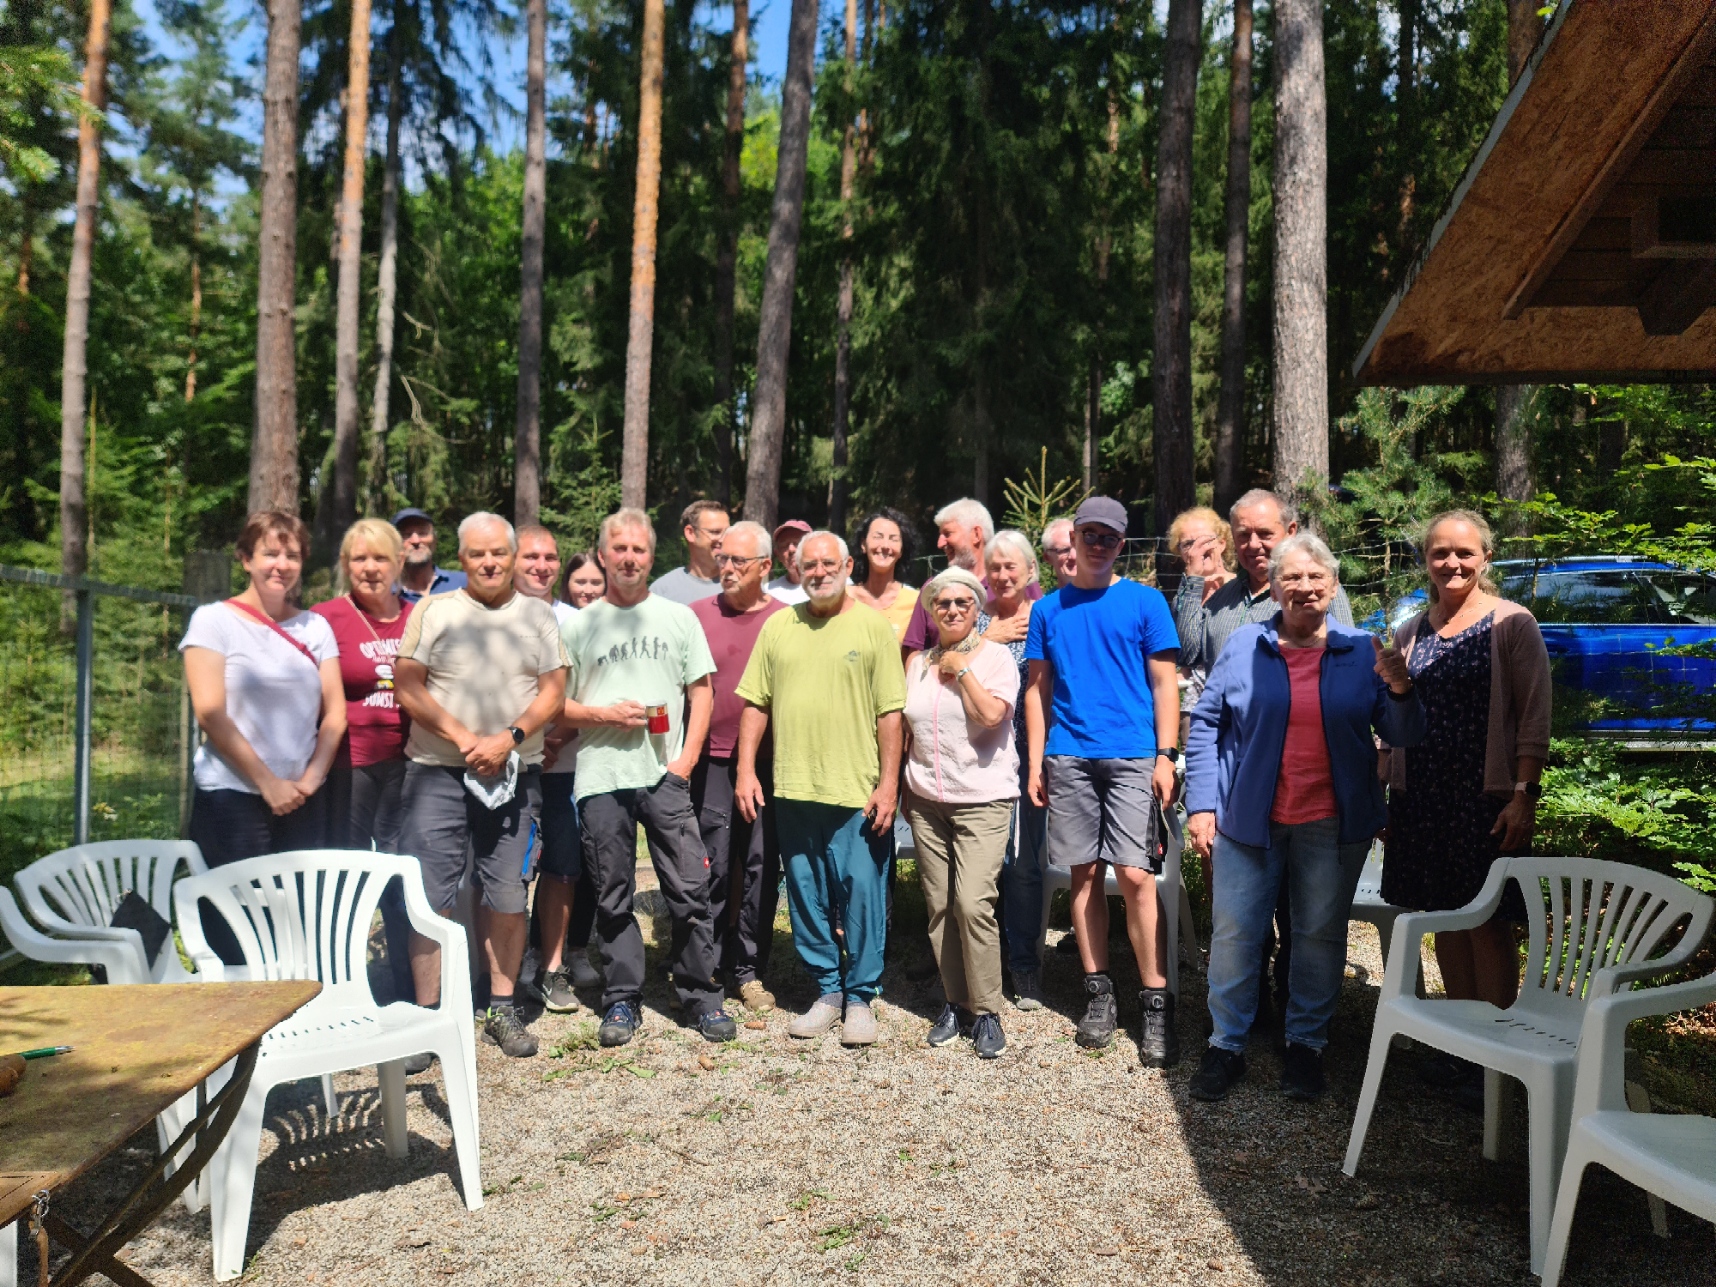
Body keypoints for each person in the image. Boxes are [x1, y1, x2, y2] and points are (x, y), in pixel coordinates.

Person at [1184, 532, 1424, 1103]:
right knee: (1236, 932)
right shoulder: (1245, 646)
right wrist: (1201, 804)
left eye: (1317, 577)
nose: (1305, 587)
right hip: (1249, 819)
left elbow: (1405, 733)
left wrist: (1400, 689)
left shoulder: (1362, 648)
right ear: (1273, 587)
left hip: (1332, 823)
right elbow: (1204, 724)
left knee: (1317, 935)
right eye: (1292, 577)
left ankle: (1306, 1046)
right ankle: (1227, 1045)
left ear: (1333, 586)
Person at [1383, 510, 1551, 1102]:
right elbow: (1393, 720)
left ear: (1485, 557)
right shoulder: (1410, 631)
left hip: (1485, 799)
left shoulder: (1513, 624)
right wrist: (1386, 788)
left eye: (1464, 552)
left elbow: (1534, 718)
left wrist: (1523, 795)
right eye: (1439, 553)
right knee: (1441, 919)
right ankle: (1462, 1048)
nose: (1452, 563)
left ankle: (1499, 1057)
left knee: (1487, 922)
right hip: (1423, 796)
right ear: (1425, 560)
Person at [393, 512, 569, 1059]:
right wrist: (465, 737)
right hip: (436, 773)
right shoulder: (436, 610)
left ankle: (501, 1004)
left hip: (516, 774)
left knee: (508, 892)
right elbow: (407, 683)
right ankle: (428, 1017)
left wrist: (508, 738)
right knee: (430, 895)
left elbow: (554, 690)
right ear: (461, 559)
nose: (489, 562)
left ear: (514, 557)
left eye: (499, 553)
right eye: (477, 554)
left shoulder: (538, 615)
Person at [560, 508, 735, 1048]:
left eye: (638, 549)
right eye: (619, 548)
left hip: (664, 774)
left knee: (688, 887)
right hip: (600, 776)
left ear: (650, 556)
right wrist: (603, 715)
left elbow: (702, 692)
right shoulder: (578, 624)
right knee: (613, 895)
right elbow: (554, 706)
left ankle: (701, 997)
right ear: (604, 554)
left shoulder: (677, 618)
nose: (629, 558)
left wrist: (684, 762)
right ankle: (622, 1000)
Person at [1024, 495, 1182, 1065]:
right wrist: (1038, 760)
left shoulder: (1145, 602)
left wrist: (1166, 755)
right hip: (1069, 757)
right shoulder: (1048, 610)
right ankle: (1099, 995)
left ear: (1121, 543)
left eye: (1108, 537)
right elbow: (1037, 691)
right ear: (1073, 539)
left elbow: (1166, 685)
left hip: (1133, 756)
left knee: (1137, 876)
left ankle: (1156, 1001)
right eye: (1088, 534)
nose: (1096, 544)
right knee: (1083, 874)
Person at [734, 531, 906, 1046]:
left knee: (862, 897)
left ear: (848, 565)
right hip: (793, 787)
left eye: (829, 563)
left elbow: (890, 714)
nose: (819, 572)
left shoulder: (873, 627)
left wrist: (889, 783)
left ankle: (861, 997)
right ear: (796, 569)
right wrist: (746, 770)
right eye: (809, 565)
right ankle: (828, 990)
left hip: (856, 791)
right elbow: (755, 704)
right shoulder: (778, 627)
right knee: (806, 895)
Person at [1194, 489, 1354, 1026]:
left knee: (1305, 920)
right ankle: (1241, 1023)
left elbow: (1350, 684)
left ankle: (1297, 1021)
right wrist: (1203, 797)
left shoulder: (1319, 593)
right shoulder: (1219, 606)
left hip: (1316, 798)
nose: (1254, 543)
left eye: (1264, 533)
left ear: (1288, 532)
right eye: (1243, 534)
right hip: (1245, 790)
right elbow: (1204, 693)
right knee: (1240, 920)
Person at [181, 511, 347, 964]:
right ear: (245, 559)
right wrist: (266, 781)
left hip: (301, 798)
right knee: (234, 924)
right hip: (232, 798)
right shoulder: (213, 621)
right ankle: (232, 1026)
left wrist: (310, 780)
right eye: (270, 553)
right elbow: (210, 713)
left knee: (296, 919)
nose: (281, 564)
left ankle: (292, 1022)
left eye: (291, 555)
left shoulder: (315, 627)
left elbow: (334, 714)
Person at [902, 567, 1020, 1059]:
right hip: (927, 799)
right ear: (932, 611)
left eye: (962, 603)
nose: (951, 610)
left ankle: (987, 1010)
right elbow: (907, 724)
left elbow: (992, 717)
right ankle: (955, 1002)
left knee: (973, 903)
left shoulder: (996, 658)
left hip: (983, 797)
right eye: (942, 603)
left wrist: (962, 669)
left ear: (977, 609)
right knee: (940, 905)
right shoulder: (916, 663)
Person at [313, 518, 416, 1009]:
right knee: (347, 881)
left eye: (380, 558)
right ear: (345, 565)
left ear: (400, 562)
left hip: (410, 765)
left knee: (402, 880)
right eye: (359, 559)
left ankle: (405, 992)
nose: (370, 569)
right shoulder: (326, 618)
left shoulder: (419, 615)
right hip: (348, 768)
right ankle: (342, 994)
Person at [688, 521, 787, 1011]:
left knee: (760, 866)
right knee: (711, 864)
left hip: (772, 763)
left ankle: (748, 969)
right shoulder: (694, 617)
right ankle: (703, 965)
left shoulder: (788, 620)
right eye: (721, 558)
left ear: (766, 567)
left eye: (737, 561)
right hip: (709, 760)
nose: (725, 568)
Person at [510, 525, 584, 1014]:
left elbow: (592, 692)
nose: (541, 565)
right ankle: (503, 973)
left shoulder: (578, 621)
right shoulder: (494, 618)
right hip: (510, 767)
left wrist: (557, 738)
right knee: (508, 874)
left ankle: (550, 968)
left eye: (550, 557)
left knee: (562, 868)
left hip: (566, 767)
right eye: (530, 556)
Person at [981, 530, 1047, 1010]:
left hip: (1026, 762)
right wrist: (988, 637)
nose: (1003, 575)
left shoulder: (1044, 618)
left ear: (1030, 572)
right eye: (995, 567)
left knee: (1023, 867)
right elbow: (939, 665)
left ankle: (1023, 966)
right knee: (982, 869)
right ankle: (978, 968)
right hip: (977, 763)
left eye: (1012, 567)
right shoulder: (973, 618)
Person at [550, 549, 606, 990]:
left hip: (587, 760)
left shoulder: (607, 624)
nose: (587, 589)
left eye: (595, 582)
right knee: (553, 866)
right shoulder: (554, 621)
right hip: (544, 761)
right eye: (580, 581)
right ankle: (541, 954)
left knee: (585, 864)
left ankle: (577, 949)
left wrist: (562, 737)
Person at [903, 498, 1044, 652]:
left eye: (947, 533)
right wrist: (986, 640)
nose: (940, 543)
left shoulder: (1021, 584)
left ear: (976, 534)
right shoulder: (933, 588)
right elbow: (913, 655)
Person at [1167, 506, 1236, 700]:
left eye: (1205, 541)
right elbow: (1187, 661)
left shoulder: (1240, 591)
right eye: (1188, 544)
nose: (1198, 550)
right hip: (1195, 702)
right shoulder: (1183, 597)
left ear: (1222, 544)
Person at [848, 508, 920, 641]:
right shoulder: (843, 598)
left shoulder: (915, 604)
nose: (885, 545)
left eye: (893, 539)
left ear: (902, 550)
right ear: (863, 544)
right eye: (878, 537)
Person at [650, 500, 730, 605]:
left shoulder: (745, 585)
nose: (723, 539)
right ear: (690, 533)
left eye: (728, 532)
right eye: (715, 532)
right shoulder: (663, 592)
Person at [392, 507, 467, 603]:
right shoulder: (387, 596)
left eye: (423, 533)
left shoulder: (464, 584)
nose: (416, 541)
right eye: (406, 535)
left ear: (435, 540)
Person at [765, 520, 812, 604]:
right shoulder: (769, 591)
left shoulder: (829, 586)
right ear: (778, 555)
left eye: (797, 543)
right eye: (784, 546)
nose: (791, 549)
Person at [1040, 518, 1078, 590]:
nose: (1074, 556)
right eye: (1065, 550)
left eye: (1078, 548)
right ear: (1047, 558)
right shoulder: (1048, 601)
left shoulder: (1105, 597)